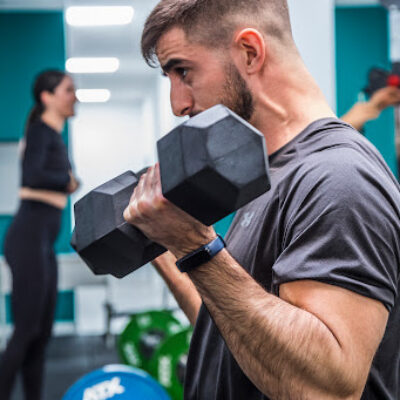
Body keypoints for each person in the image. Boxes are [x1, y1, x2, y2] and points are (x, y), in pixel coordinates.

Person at [124, 1, 400, 399]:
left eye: (184, 71)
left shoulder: (338, 177)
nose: (178, 104)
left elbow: (326, 389)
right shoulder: (272, 174)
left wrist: (196, 247)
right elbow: (232, 332)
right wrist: (167, 247)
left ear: (250, 53)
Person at [0, 70, 79, 400]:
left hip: (41, 240)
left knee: (41, 333)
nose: (74, 96)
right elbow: (33, 175)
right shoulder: (40, 131)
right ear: (47, 97)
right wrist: (68, 181)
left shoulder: (53, 136)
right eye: (68, 90)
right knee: (27, 330)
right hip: (28, 236)